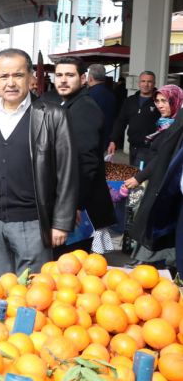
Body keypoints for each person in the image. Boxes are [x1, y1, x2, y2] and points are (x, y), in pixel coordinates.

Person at [0, 48, 78, 281]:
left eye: (18, 75)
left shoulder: (52, 116)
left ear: (32, 78)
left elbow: (67, 172)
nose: (10, 83)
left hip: (33, 223)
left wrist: (61, 223)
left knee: (33, 298)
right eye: (3, 76)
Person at [54, 57, 116, 255]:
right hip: (71, 203)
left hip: (80, 208)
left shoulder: (85, 107)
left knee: (72, 270)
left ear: (83, 79)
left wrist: (74, 205)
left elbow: (85, 162)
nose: (63, 80)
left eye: (69, 75)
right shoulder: (68, 104)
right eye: (59, 75)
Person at [125, 85, 183, 273]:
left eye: (164, 101)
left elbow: (162, 157)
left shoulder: (176, 128)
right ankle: (147, 262)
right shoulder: (164, 123)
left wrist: (139, 177)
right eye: (157, 101)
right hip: (157, 180)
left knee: (154, 220)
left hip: (164, 183)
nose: (159, 105)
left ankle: (151, 264)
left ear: (175, 101)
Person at [108, 71, 159, 167]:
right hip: (133, 146)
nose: (146, 84)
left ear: (154, 84)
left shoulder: (159, 101)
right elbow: (121, 121)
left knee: (139, 176)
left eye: (149, 81)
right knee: (134, 173)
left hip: (149, 148)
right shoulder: (130, 100)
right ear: (139, 83)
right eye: (143, 81)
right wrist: (113, 140)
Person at [86, 64, 117, 149]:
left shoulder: (87, 95)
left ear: (90, 78)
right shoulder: (111, 95)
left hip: (89, 138)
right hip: (105, 136)